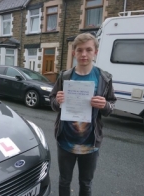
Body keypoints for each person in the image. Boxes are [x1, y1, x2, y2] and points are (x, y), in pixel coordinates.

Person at [49, 33, 117, 196]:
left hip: (90, 143)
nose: (84, 54)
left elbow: (111, 105)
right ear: (74, 53)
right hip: (65, 141)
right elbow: (52, 102)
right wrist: (58, 101)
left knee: (86, 183)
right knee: (64, 181)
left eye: (88, 50)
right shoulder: (65, 76)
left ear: (96, 52)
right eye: (79, 50)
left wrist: (104, 105)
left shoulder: (104, 78)